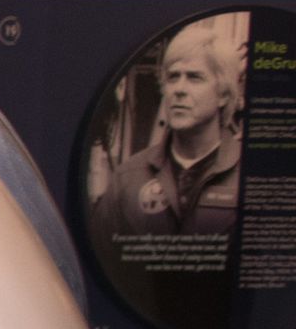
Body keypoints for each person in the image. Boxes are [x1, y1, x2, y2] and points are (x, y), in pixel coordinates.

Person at [94, 15, 246, 238]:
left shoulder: (252, 177)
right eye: (173, 77)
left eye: (194, 77)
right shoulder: (127, 178)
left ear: (223, 95)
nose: (179, 89)